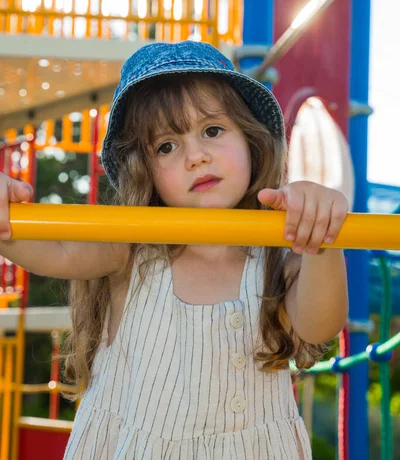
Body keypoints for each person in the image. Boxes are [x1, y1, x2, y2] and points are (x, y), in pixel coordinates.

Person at [0, 41, 349, 459]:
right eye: (167, 146)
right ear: (144, 171)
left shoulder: (276, 256)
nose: (196, 156)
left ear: (252, 141)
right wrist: (7, 217)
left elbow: (319, 325)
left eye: (213, 131)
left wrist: (322, 238)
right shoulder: (131, 248)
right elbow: (56, 249)